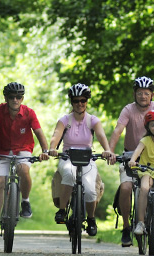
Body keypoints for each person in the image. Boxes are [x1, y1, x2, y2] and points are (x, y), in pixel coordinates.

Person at [0, 81, 50, 237]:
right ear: (6, 98)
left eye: (19, 97)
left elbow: (39, 132)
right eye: (12, 97)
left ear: (22, 99)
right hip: (0, 150)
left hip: (22, 149)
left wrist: (45, 150)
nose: (15, 100)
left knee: (23, 169)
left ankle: (25, 200)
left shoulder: (29, 113)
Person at [106, 76, 154, 247]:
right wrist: (110, 151)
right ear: (134, 94)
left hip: (153, 156)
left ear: (152, 95)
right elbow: (118, 130)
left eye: (146, 93)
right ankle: (126, 227)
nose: (143, 96)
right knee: (126, 187)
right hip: (130, 155)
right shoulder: (128, 110)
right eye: (139, 93)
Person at [46, 83, 112, 236]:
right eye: (76, 101)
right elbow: (56, 135)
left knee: (89, 190)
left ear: (87, 102)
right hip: (68, 158)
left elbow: (101, 136)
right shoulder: (65, 120)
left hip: (87, 159)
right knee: (69, 173)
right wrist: (53, 148)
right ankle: (62, 211)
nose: (79, 104)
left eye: (83, 100)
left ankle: (91, 219)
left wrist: (107, 150)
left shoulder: (93, 120)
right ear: (72, 102)